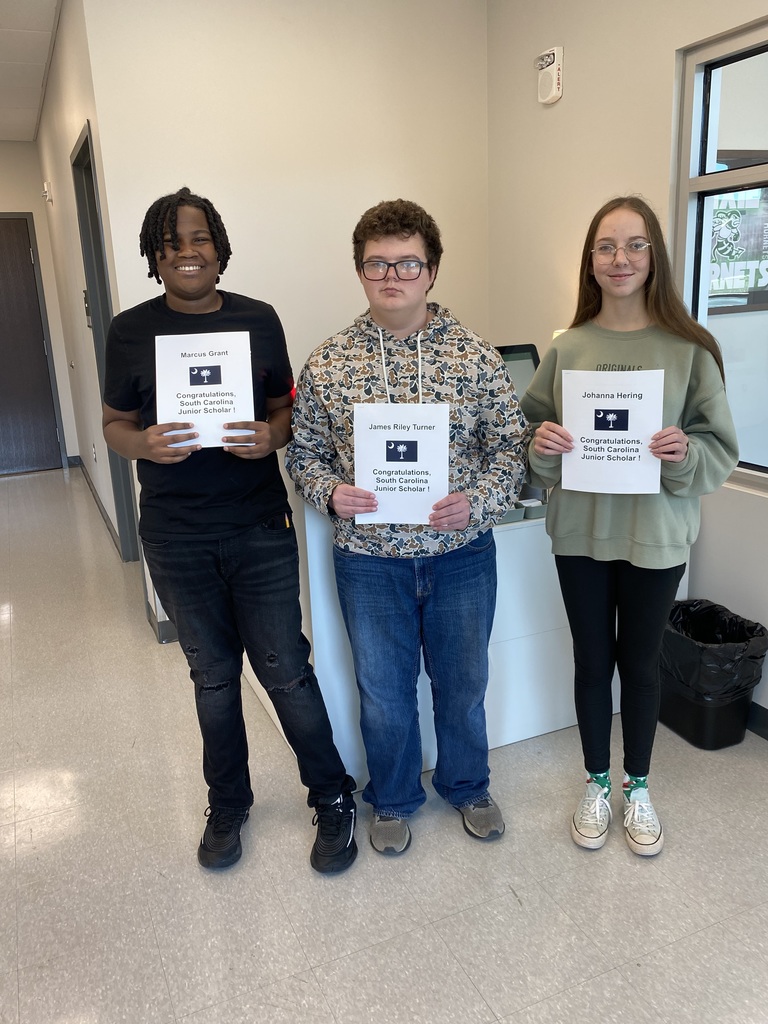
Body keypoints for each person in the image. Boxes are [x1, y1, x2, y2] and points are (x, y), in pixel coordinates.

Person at [102, 186, 357, 873]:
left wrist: (266, 439)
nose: (187, 252)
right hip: (175, 531)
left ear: (220, 247)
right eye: (171, 242)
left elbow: (283, 412)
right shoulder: (129, 330)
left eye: (199, 238)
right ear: (155, 257)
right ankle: (230, 801)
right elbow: (114, 425)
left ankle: (332, 797)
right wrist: (145, 446)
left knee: (285, 670)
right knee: (212, 677)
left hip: (256, 524)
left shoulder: (257, 319)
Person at [286, 199, 528, 855]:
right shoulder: (329, 362)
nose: (392, 276)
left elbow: (512, 448)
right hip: (369, 560)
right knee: (384, 693)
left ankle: (467, 785)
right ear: (361, 272)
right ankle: (391, 799)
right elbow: (302, 453)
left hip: (461, 555)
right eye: (377, 265)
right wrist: (329, 491)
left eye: (407, 263)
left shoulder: (475, 356)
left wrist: (474, 501)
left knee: (463, 684)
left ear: (432, 270)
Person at [520, 195, 738, 856]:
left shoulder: (691, 348)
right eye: (607, 246)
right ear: (591, 260)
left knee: (640, 665)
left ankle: (637, 787)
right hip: (581, 534)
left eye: (635, 244)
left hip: (657, 536)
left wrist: (684, 453)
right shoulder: (568, 347)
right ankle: (596, 781)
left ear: (655, 256)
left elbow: (718, 448)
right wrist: (544, 444)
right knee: (592, 662)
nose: (620, 259)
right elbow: (528, 436)